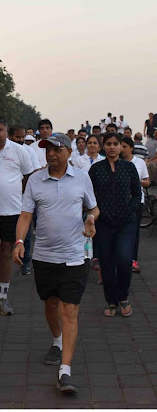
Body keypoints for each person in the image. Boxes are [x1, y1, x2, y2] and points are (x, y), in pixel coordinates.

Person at [13, 133, 99, 395]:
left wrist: (91, 219)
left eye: (56, 149)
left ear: (69, 152)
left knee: (69, 310)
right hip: (44, 256)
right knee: (51, 304)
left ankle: (65, 370)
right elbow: (26, 214)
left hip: (75, 255)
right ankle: (57, 341)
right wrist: (19, 241)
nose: (51, 154)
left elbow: (94, 208)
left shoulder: (82, 178)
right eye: (47, 149)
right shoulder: (35, 181)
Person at [0, 119, 33, 315]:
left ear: (6, 132)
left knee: (6, 253)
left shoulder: (20, 151)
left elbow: (29, 177)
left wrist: (25, 202)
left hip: (12, 211)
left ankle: (2, 297)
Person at [89, 133, 141, 317]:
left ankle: (123, 297)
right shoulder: (96, 169)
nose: (112, 147)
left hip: (126, 223)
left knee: (125, 260)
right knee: (107, 263)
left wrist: (129, 209)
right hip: (103, 223)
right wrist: (94, 213)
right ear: (104, 146)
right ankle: (111, 301)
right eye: (108, 144)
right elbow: (89, 194)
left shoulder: (129, 168)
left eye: (115, 144)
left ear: (121, 146)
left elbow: (137, 193)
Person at [8, 125, 40, 276]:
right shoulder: (6, 151)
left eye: (22, 137)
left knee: (26, 233)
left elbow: (33, 173)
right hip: (8, 199)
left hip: (25, 197)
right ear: (10, 137)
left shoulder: (29, 151)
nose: (21, 140)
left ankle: (26, 262)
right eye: (17, 137)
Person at [119, 137, 150, 274]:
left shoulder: (140, 163)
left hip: (137, 201)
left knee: (134, 232)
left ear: (131, 148)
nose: (122, 149)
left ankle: (133, 259)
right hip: (119, 202)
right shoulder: (117, 163)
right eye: (121, 146)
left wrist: (136, 181)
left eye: (124, 146)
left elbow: (147, 182)